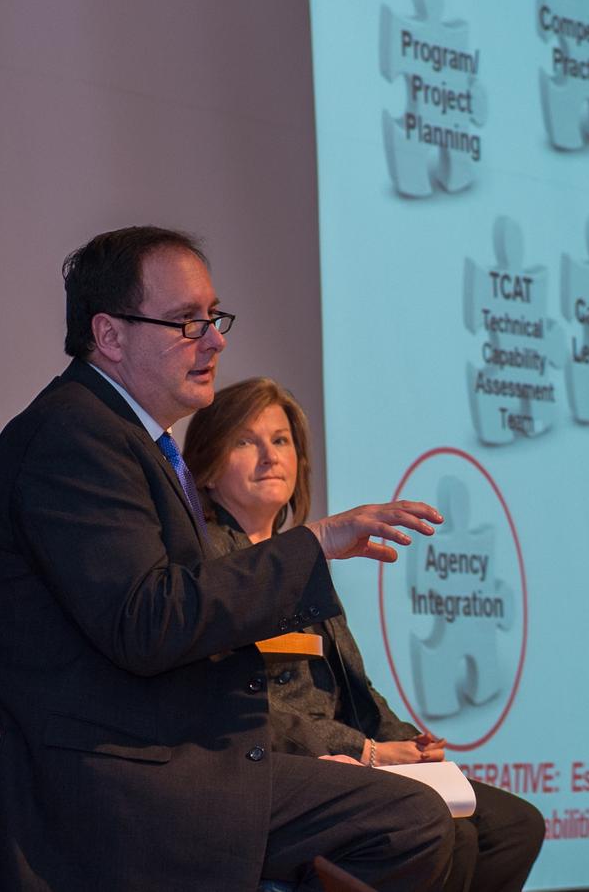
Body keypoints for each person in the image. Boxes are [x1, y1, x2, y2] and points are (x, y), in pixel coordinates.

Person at [0, 226, 456, 892]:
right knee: (408, 820)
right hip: (113, 786)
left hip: (165, 762)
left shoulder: (130, 439)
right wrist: (314, 542)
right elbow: (148, 621)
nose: (215, 339)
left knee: (431, 814)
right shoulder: (74, 436)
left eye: (213, 317)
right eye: (187, 322)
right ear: (110, 335)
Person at [184, 379, 545, 892]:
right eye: (246, 441)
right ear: (208, 468)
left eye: (281, 440)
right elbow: (230, 703)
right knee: (453, 837)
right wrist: (366, 752)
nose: (269, 456)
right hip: (277, 766)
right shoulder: (209, 565)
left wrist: (404, 743)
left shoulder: (299, 557)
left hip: (348, 757)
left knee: (514, 827)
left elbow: (353, 685)